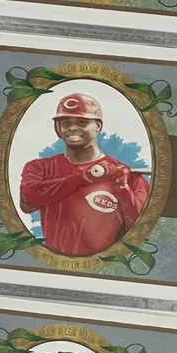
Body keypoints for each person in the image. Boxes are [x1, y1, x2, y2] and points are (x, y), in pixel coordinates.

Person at [19, 91, 149, 256]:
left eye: (82, 122)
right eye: (66, 122)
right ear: (57, 127)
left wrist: (123, 188)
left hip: (103, 264)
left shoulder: (127, 176)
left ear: (98, 126)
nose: (73, 128)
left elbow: (142, 229)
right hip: (56, 263)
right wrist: (82, 177)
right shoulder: (40, 167)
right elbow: (28, 201)